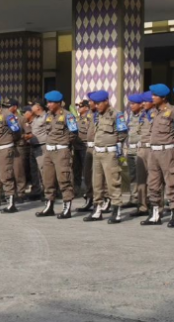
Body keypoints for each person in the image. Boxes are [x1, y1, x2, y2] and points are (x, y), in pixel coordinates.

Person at [83, 90, 128, 224]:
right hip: (97, 152)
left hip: (110, 153)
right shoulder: (96, 115)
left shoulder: (116, 115)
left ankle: (116, 210)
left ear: (106, 102)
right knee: (96, 183)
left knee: (112, 182)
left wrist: (112, 143)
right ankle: (97, 210)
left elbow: (123, 133)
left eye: (99, 103)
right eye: (95, 103)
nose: (96, 106)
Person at [35, 91, 77, 219]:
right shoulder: (49, 115)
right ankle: (49, 206)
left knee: (64, 179)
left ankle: (67, 207)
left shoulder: (67, 116)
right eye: (48, 102)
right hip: (49, 151)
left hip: (61, 151)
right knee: (48, 179)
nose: (48, 105)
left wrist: (64, 144)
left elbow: (73, 133)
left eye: (51, 102)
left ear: (58, 103)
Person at [142, 84, 174, 226]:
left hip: (167, 151)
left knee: (171, 183)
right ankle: (155, 214)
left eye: (155, 95)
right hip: (153, 152)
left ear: (163, 97)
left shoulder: (172, 112)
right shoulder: (154, 113)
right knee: (153, 183)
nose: (152, 98)